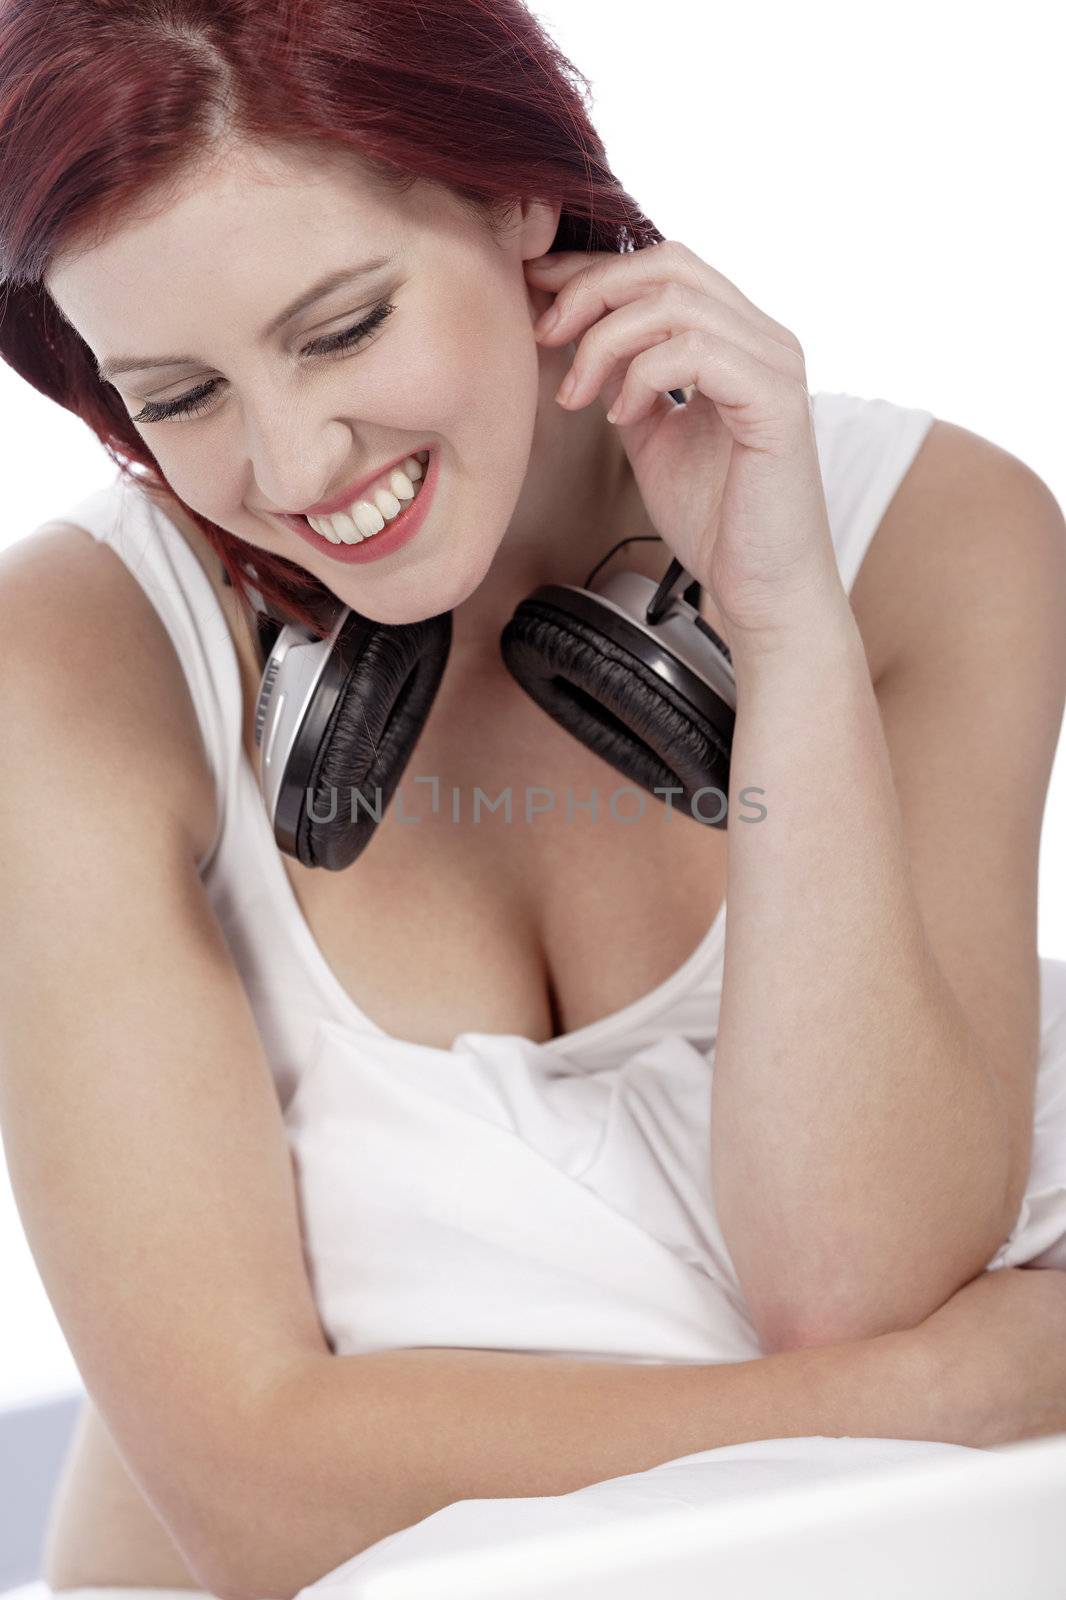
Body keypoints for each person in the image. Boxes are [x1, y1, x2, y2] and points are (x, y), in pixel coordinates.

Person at [1, 3, 1066, 1599]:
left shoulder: (932, 539)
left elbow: (847, 1273)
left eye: (342, 327)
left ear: (514, 195)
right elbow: (251, 1487)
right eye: (179, 395)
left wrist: (783, 630)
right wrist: (926, 1398)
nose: (292, 470)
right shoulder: (71, 666)